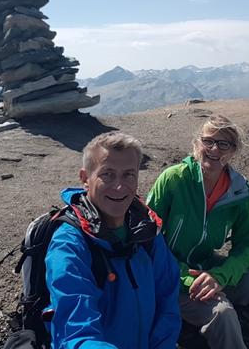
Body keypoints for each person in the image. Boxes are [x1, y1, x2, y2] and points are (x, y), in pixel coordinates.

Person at [146, 115, 249, 349]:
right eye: (208, 141)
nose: (215, 149)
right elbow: (148, 237)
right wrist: (184, 276)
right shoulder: (174, 180)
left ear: (233, 151)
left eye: (224, 144)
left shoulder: (237, 191)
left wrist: (222, 275)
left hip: (207, 265)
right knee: (222, 313)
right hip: (169, 274)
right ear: (196, 145)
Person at [45, 132, 181, 349]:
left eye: (128, 175)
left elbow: (167, 301)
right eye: (107, 174)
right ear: (85, 179)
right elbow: (75, 333)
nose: (119, 186)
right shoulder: (69, 245)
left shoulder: (145, 231)